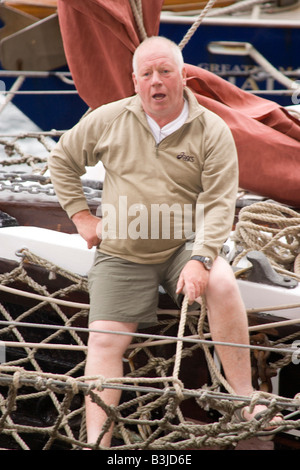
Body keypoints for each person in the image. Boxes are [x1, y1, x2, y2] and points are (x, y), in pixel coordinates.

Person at [48, 36, 282, 447]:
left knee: (223, 284)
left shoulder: (212, 129)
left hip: (184, 243)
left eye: (165, 71)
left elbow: (219, 202)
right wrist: (82, 217)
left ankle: (244, 395)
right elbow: (62, 160)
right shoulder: (108, 119)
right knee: (104, 341)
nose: (156, 81)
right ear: (134, 79)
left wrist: (201, 259)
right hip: (123, 249)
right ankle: (98, 446)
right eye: (147, 73)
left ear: (182, 76)